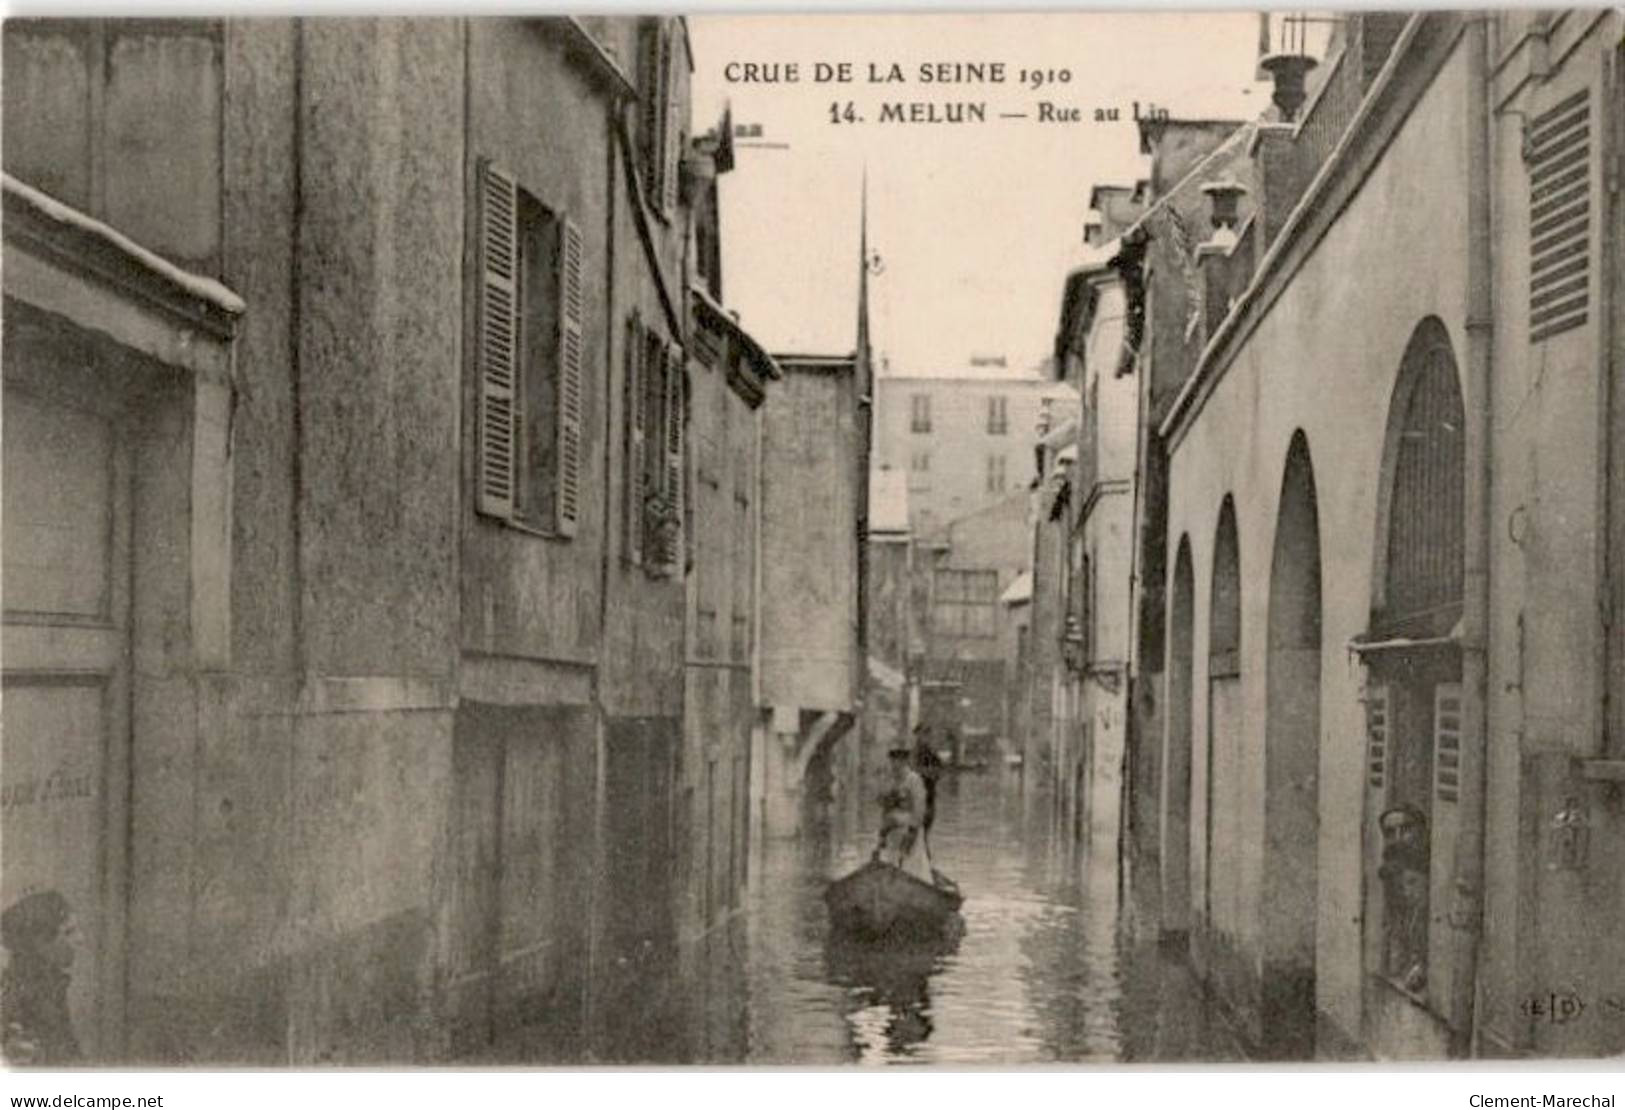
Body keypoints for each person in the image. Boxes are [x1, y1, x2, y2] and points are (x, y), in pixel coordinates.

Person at [2, 890, 81, 1065]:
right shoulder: (20, 995)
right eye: (68, 932)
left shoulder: (51, 987)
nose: (80, 939)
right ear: (40, 943)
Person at [874, 748, 933, 883]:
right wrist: (882, 834)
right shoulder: (890, 780)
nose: (894, 765)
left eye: (898, 761)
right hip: (892, 832)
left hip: (908, 830)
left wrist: (912, 832)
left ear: (905, 762)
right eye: (892, 761)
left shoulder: (914, 780)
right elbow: (883, 806)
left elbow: (919, 808)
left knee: (911, 866)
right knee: (891, 862)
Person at [910, 724, 944, 834]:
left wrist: (934, 773)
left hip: (929, 791)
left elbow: (940, 769)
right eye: (922, 734)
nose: (926, 737)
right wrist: (927, 772)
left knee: (927, 823)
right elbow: (913, 769)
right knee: (916, 823)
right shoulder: (915, 752)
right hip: (917, 792)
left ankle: (925, 845)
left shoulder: (931, 752)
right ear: (917, 735)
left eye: (927, 734)